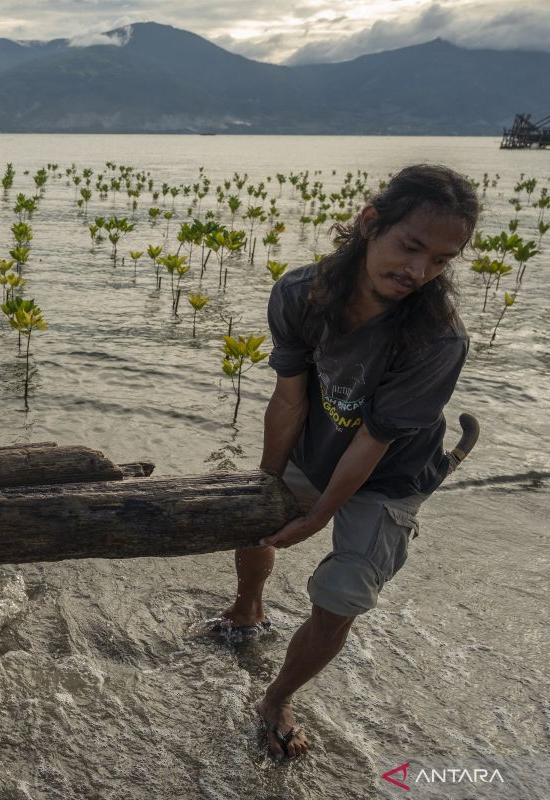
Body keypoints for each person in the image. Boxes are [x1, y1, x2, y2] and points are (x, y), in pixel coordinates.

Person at [210, 165, 479, 760]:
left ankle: (277, 697)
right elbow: (288, 397)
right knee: (256, 519)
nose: (418, 272)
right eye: (410, 247)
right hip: (316, 444)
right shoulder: (302, 294)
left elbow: (372, 443)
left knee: (339, 599)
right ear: (369, 223)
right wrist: (269, 483)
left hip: (388, 475)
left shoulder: (437, 340)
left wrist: (317, 518)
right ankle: (247, 605)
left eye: (439, 261)